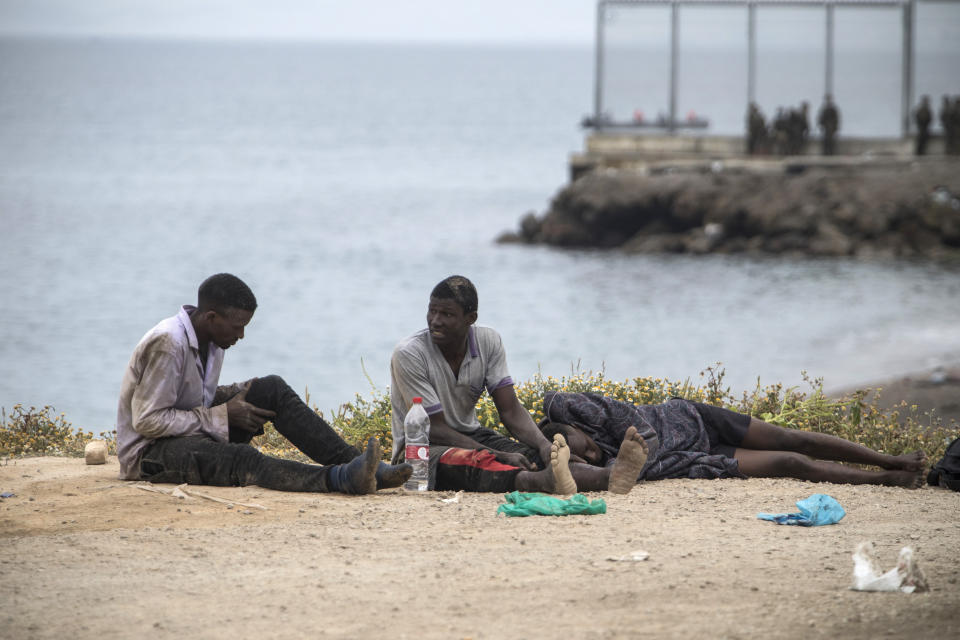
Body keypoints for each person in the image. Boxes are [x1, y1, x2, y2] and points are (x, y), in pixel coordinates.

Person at [116, 273, 411, 494]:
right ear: (211, 317)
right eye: (237, 327)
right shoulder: (169, 343)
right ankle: (340, 479)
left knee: (271, 389)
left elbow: (190, 399)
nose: (241, 336)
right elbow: (148, 421)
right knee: (242, 459)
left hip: (187, 431)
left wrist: (234, 396)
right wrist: (222, 415)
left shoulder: (213, 340)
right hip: (151, 455)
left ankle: (365, 467)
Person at [389, 275, 649, 495]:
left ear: (471, 318)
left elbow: (510, 410)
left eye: (446, 314)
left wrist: (543, 445)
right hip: (421, 448)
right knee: (483, 463)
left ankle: (610, 477)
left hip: (472, 436)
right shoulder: (410, 353)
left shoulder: (488, 342)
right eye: (432, 311)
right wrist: (496, 453)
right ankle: (543, 482)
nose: (435, 321)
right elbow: (434, 429)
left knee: (533, 457)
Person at [539, 391, 927, 489]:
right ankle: (884, 479)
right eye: (585, 455)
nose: (590, 450)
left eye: (584, 443)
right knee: (789, 463)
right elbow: (612, 476)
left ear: (568, 426)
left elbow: (645, 430)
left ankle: (887, 457)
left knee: (789, 437)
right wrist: (617, 465)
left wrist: (635, 457)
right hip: (700, 455)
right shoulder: (584, 464)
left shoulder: (571, 407)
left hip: (695, 418)